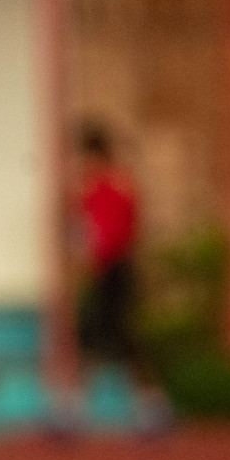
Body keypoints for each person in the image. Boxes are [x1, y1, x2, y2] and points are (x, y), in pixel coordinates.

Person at [71, 123, 171, 434]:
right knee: (90, 335)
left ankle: (151, 404)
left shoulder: (113, 185)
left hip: (118, 268)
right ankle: (78, 408)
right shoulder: (92, 189)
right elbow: (87, 234)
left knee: (122, 337)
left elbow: (120, 231)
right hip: (103, 271)